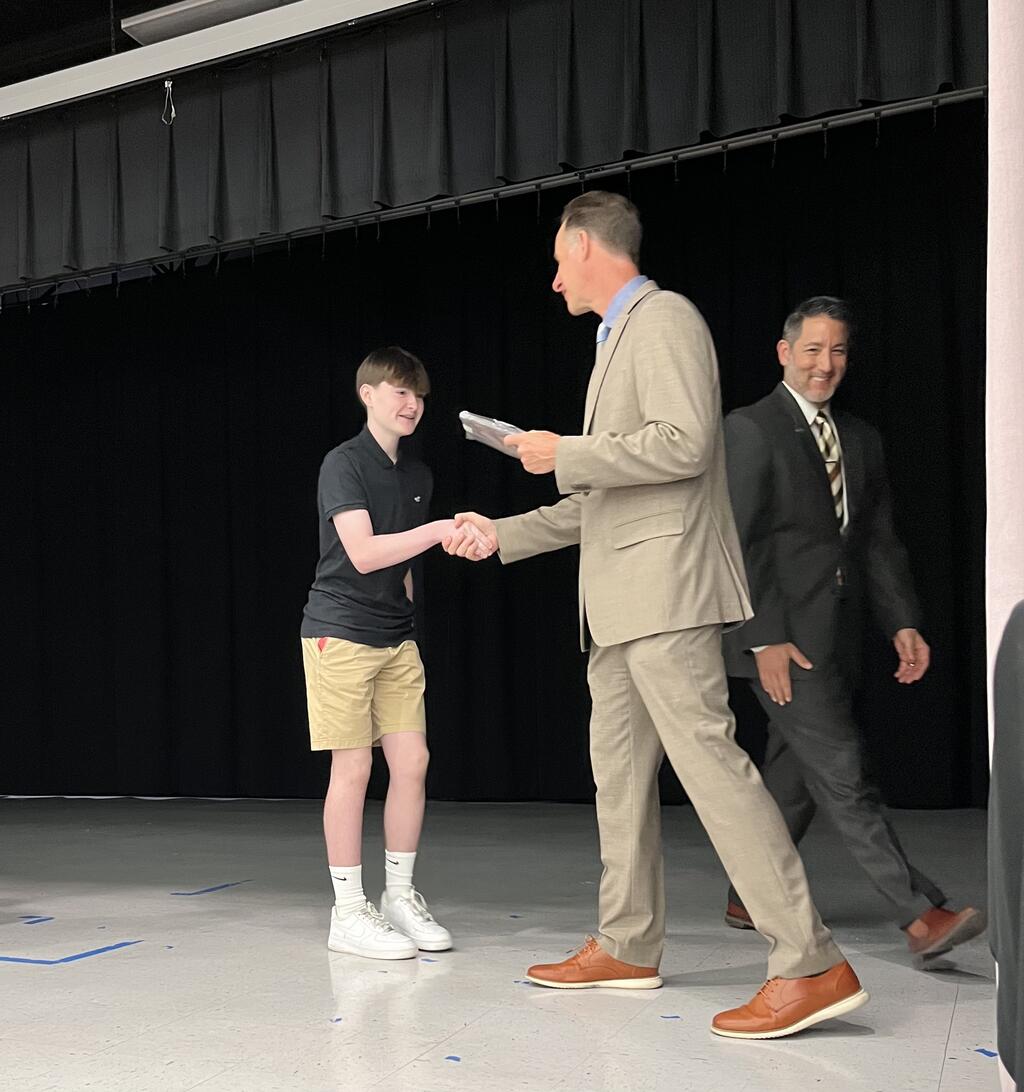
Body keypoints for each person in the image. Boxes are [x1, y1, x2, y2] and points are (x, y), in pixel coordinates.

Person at [447, 192, 867, 1040]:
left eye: (559, 260)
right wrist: (503, 533)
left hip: (666, 595)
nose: (555, 279)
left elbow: (684, 445)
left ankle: (810, 961)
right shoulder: (613, 342)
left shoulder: (664, 318)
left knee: (712, 768)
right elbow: (605, 498)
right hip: (618, 608)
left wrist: (563, 451)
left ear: (587, 247)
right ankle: (627, 943)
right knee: (619, 778)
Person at [721, 297, 985, 959]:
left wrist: (903, 623)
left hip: (836, 633)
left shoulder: (860, 438)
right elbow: (735, 542)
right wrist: (763, 637)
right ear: (785, 353)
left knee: (796, 776)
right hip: (780, 637)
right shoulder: (750, 429)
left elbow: (877, 542)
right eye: (813, 349)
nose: (825, 364)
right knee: (844, 771)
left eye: (837, 350)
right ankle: (919, 914)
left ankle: (748, 893)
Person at [300, 346, 490, 959]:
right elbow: (362, 553)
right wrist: (438, 531)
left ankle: (399, 896)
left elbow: (402, 564)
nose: (412, 404)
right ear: (368, 395)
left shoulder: (417, 475)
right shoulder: (343, 463)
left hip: (395, 637)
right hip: (339, 632)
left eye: (419, 395)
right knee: (353, 768)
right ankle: (348, 910)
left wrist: (409, 612)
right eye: (400, 391)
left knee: (412, 762)